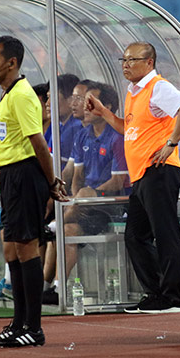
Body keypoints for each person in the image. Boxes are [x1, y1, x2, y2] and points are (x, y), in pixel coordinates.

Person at [87, 41, 180, 314]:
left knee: (165, 234)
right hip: (142, 176)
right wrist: (104, 112)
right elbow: (129, 128)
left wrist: (171, 143)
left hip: (159, 170)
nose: (126, 65)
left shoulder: (157, 87)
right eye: (123, 60)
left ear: (149, 62)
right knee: (135, 236)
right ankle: (156, 293)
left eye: (132, 60)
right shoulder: (134, 92)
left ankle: (173, 298)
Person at [0, 36, 67, 348]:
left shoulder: (21, 95)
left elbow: (38, 143)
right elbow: (17, 145)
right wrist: (1, 173)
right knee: (12, 250)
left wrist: (51, 182)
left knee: (27, 248)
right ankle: (18, 323)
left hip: (26, 178)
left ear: (12, 63)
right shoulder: (8, 94)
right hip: (13, 176)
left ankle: (34, 328)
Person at [42, 81, 130, 304]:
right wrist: (75, 197)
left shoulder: (117, 136)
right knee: (65, 231)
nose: (84, 107)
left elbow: (118, 181)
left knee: (77, 200)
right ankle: (51, 288)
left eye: (90, 102)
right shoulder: (83, 135)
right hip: (84, 204)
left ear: (106, 107)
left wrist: (87, 195)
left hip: (111, 205)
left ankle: (51, 225)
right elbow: (77, 175)